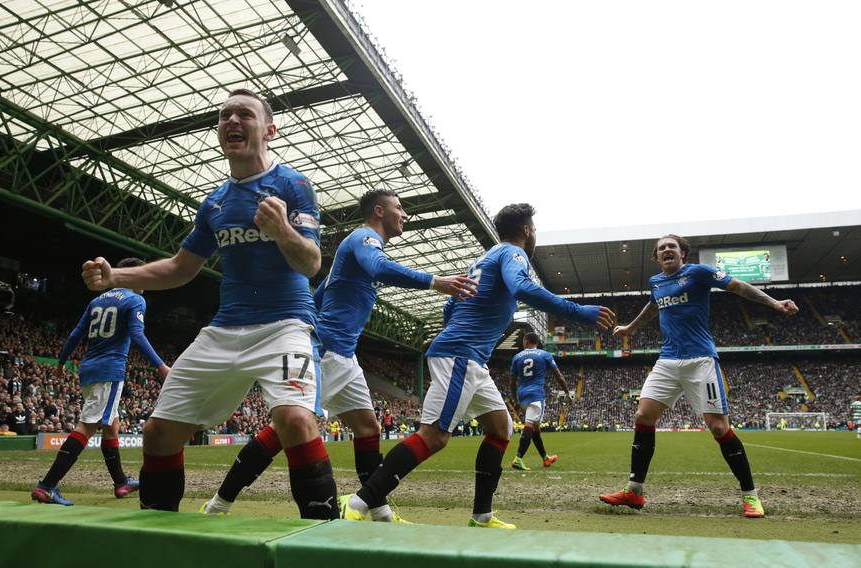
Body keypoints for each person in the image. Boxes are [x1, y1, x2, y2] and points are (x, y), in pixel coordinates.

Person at [81, 88, 339, 519]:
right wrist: (117, 277)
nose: (232, 122)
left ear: (270, 130)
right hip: (223, 330)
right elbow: (181, 268)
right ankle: (158, 537)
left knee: (295, 421)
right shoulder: (215, 202)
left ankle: (324, 537)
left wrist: (282, 232)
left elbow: (310, 263)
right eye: (224, 116)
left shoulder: (293, 185)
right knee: (158, 432)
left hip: (285, 326)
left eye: (245, 115)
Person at [199, 188, 476, 519]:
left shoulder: (355, 250)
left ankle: (378, 512)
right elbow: (377, 267)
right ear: (378, 211)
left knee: (368, 428)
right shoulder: (363, 239)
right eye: (399, 208)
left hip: (345, 353)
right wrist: (434, 281)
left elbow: (321, 294)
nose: (405, 215)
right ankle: (219, 502)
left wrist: (307, 325)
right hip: (330, 350)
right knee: (284, 429)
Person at [340, 203, 615, 528]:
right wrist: (578, 312)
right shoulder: (514, 254)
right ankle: (359, 502)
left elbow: (448, 307)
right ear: (527, 230)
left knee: (501, 428)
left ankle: (482, 515)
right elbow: (522, 288)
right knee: (435, 436)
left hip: (470, 357)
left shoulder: (482, 260)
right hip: (462, 354)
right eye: (534, 229)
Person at [599, 234, 799, 518]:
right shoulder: (656, 282)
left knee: (718, 428)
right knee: (643, 416)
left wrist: (775, 303)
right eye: (661, 249)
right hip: (667, 360)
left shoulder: (699, 273)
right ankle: (635, 491)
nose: (667, 250)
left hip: (700, 360)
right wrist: (630, 329)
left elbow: (738, 286)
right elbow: (653, 305)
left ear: (683, 253)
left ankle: (750, 495)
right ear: (656, 258)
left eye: (672, 246)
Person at [32, 258, 170, 506]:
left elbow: (76, 333)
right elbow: (137, 334)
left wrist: (62, 362)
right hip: (110, 369)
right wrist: (160, 365)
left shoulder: (97, 300)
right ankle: (47, 486)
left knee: (111, 425)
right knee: (89, 425)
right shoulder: (135, 300)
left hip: (89, 368)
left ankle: (121, 483)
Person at [510, 331, 567, 470]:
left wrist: (515, 400)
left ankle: (545, 458)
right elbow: (558, 376)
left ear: (526, 341)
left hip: (522, 395)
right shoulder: (544, 354)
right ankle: (518, 458)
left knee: (535, 429)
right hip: (536, 395)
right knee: (530, 426)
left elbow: (512, 382)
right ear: (536, 342)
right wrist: (566, 392)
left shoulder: (517, 357)